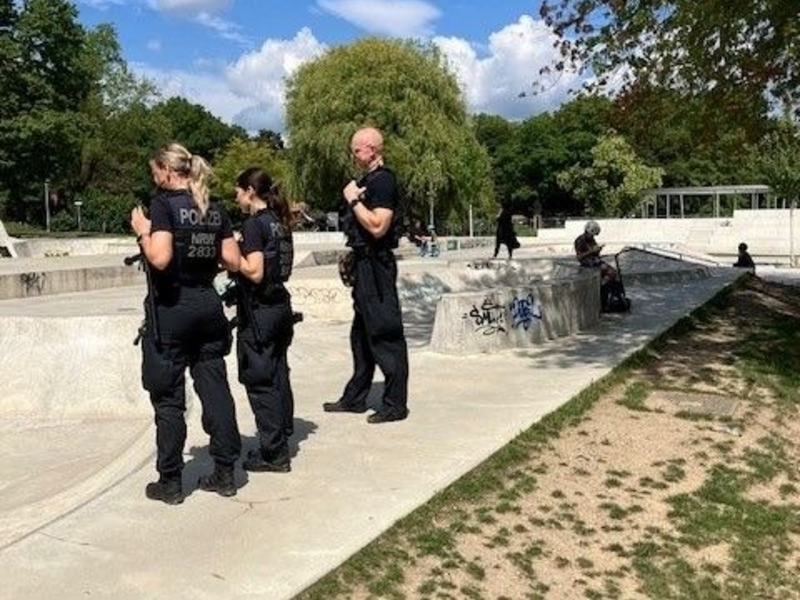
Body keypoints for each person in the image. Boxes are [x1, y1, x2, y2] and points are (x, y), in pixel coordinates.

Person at [130, 142, 242, 504]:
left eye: (155, 172)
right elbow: (233, 261)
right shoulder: (213, 208)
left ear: (166, 170)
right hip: (208, 306)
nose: (154, 179)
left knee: (168, 399)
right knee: (215, 389)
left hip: (172, 310)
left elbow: (160, 258)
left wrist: (143, 230)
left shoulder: (163, 205)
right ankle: (225, 472)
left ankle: (171, 481)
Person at [323, 127, 410, 424]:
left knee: (385, 333)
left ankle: (395, 404)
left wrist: (353, 200)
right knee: (360, 337)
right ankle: (355, 397)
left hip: (376, 266)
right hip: (363, 265)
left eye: (356, 149)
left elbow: (378, 226)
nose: (353, 155)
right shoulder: (366, 181)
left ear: (371, 149)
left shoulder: (383, 181)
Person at [233, 167, 296, 473]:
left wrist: (231, 255)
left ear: (250, 192)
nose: (235, 197)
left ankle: (273, 453)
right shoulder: (279, 221)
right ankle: (283, 433)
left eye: (238, 191)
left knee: (260, 380)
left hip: (260, 312)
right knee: (278, 372)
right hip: (280, 306)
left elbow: (255, 271)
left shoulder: (255, 224)